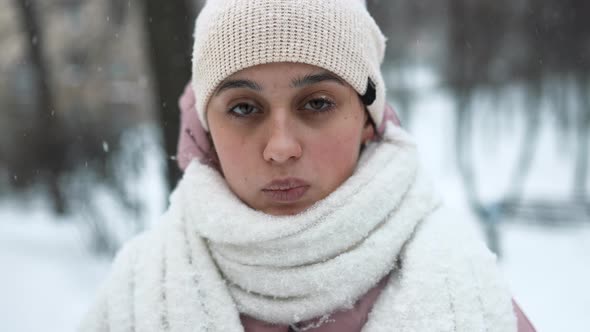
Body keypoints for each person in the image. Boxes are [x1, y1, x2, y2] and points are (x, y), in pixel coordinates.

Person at [81, 0, 535, 331]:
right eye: (243, 108)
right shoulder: (133, 297)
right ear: (207, 129)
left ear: (366, 120)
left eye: (316, 102)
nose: (280, 148)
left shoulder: (469, 294)